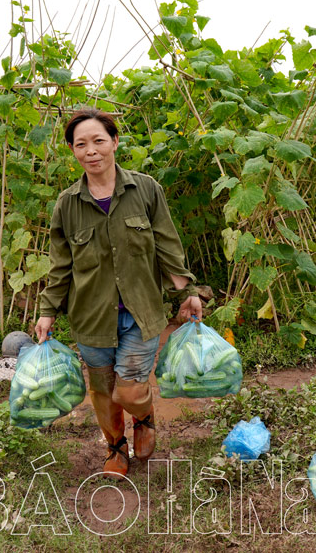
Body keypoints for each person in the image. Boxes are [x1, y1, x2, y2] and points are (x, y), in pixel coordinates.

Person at [34, 107, 202, 477]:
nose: (91, 150)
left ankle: (144, 418)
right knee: (102, 392)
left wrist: (186, 291)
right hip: (92, 316)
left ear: (114, 142)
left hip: (141, 312)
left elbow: (168, 244)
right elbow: (60, 263)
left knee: (128, 390)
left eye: (98, 141)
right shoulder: (67, 204)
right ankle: (115, 448)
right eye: (81, 144)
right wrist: (48, 310)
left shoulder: (145, 189)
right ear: (72, 150)